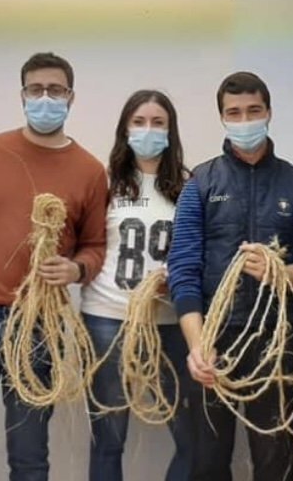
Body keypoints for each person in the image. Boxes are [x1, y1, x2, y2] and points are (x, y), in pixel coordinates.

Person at [0, 52, 109, 481]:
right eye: (36, 89)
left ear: (71, 97)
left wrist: (76, 270)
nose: (45, 98)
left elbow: (95, 245)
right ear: (22, 95)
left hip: (40, 326)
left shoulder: (90, 170)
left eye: (55, 90)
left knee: (30, 459)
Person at [168, 71, 293, 481]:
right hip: (214, 338)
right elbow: (183, 269)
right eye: (234, 113)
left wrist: (281, 274)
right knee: (208, 460)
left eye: (254, 110)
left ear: (269, 112)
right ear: (222, 117)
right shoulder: (201, 183)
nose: (245, 120)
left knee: (275, 458)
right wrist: (198, 346)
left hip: (274, 339)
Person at [80, 89, 193, 481]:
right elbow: (87, 244)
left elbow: (197, 251)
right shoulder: (104, 183)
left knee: (193, 439)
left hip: (171, 322)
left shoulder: (190, 186)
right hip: (108, 319)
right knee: (108, 439)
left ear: (171, 131)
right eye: (139, 122)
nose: (148, 130)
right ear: (125, 129)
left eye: (158, 123)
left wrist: (176, 279)